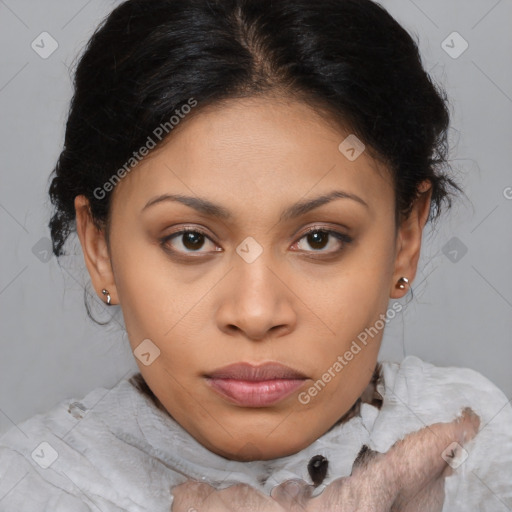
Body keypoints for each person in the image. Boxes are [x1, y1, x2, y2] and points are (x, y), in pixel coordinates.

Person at [0, 0, 510, 510]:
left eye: (319, 238)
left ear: (405, 241)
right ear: (100, 251)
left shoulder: (478, 452)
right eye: (191, 239)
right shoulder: (29, 486)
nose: (256, 313)